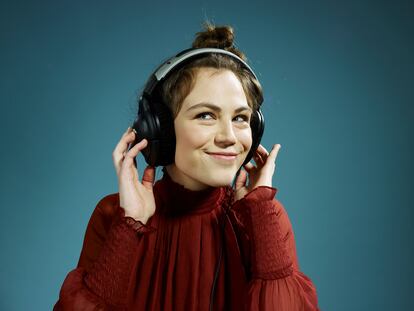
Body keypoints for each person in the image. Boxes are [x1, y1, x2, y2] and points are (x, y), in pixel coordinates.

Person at [53, 22, 320, 311]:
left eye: (240, 118)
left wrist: (261, 217)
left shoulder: (265, 219)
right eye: (206, 115)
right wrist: (129, 228)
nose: (229, 137)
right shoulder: (114, 216)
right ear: (160, 130)